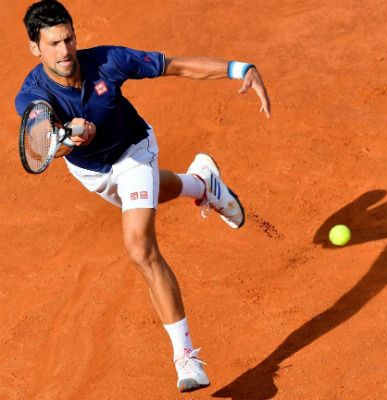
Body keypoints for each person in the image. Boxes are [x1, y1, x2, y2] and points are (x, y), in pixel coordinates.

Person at [15, 0, 271, 393]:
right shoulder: (32, 96)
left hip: (134, 150)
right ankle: (202, 183)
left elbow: (177, 65)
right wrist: (68, 136)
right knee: (153, 195)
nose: (65, 51)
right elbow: (42, 146)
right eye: (52, 44)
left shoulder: (108, 61)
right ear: (35, 48)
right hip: (91, 172)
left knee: (139, 247)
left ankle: (186, 359)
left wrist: (241, 69)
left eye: (68, 39)